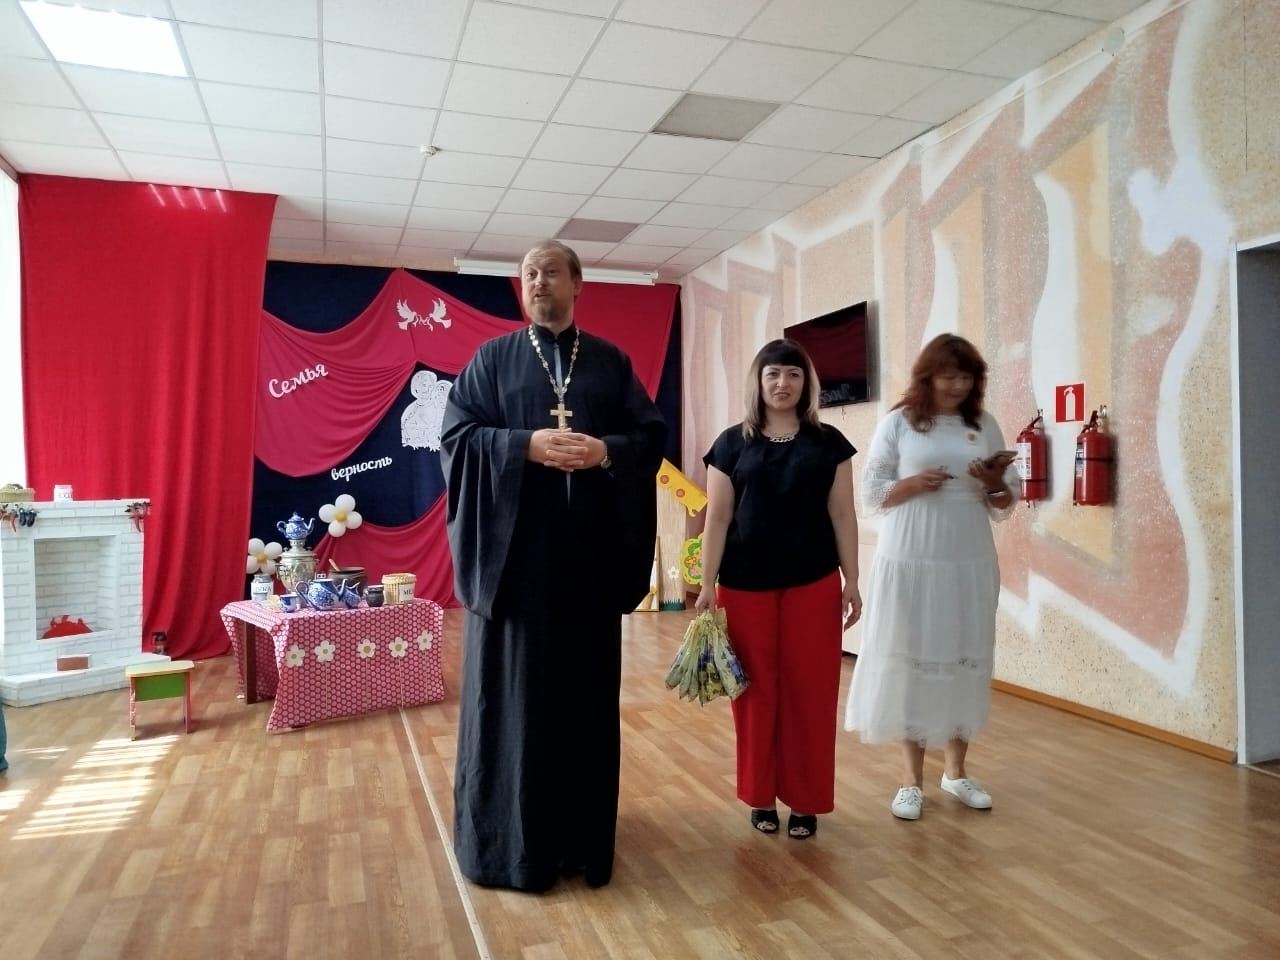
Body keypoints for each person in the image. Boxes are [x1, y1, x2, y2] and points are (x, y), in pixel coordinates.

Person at [439, 239, 667, 892]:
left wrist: (605, 452)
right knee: (514, 705)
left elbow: (649, 436)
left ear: (577, 283)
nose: (539, 282)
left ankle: (579, 842)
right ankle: (509, 847)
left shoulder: (610, 363)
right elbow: (456, 437)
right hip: (515, 570)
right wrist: (524, 445)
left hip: (587, 566)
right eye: (530, 273)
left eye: (551, 272)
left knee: (582, 704)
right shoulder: (493, 360)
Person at [844, 333, 1016, 821]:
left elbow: (1005, 502)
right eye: (949, 376)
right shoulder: (899, 422)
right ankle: (910, 781)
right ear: (928, 376)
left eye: (967, 377)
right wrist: (913, 484)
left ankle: (956, 773)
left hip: (968, 553)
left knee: (965, 653)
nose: (958, 385)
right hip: (911, 553)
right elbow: (871, 493)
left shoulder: (983, 424)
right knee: (911, 657)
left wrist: (993, 482)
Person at [695, 338, 862, 840]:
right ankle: (761, 796)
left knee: (811, 694)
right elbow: (717, 518)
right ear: (759, 382)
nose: (782, 383)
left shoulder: (829, 444)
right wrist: (706, 584)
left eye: (792, 374)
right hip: (744, 586)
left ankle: (806, 801)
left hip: (814, 584)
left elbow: (842, 514)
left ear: (806, 383)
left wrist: (853, 579)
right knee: (753, 693)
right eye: (772, 374)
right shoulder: (730, 444)